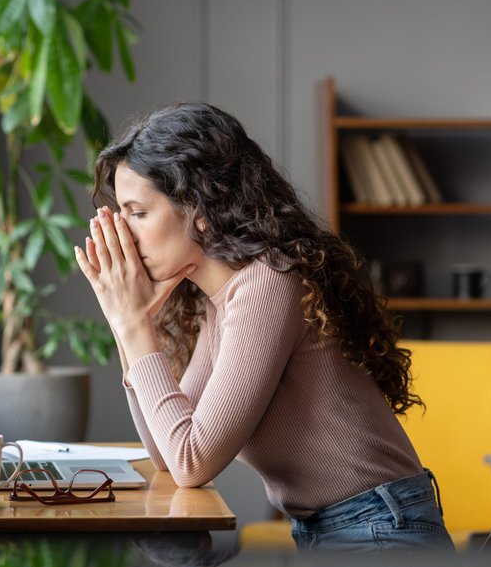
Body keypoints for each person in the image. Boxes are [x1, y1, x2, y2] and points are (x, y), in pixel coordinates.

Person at [73, 103, 454, 554]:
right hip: (342, 532)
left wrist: (132, 322)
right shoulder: (222, 303)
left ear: (199, 208)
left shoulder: (268, 282)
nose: (125, 234)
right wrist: (128, 325)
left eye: (138, 213)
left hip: (382, 532)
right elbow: (167, 454)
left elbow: (191, 461)